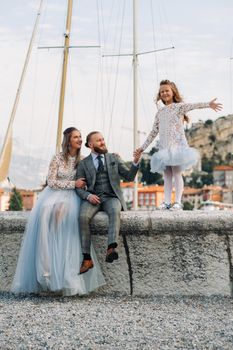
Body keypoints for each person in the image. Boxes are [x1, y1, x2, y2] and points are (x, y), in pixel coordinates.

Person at [11, 127, 105, 296]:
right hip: (53, 194)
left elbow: (86, 183)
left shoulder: (82, 160)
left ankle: (64, 277)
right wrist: (72, 183)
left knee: (61, 218)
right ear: (68, 140)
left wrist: (82, 190)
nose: (79, 139)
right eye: (75, 137)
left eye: (80, 137)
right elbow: (51, 181)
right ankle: (46, 273)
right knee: (45, 213)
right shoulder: (57, 158)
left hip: (72, 197)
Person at [135, 79, 222, 210]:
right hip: (164, 149)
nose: (164, 93)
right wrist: (142, 148)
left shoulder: (179, 106)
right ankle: (166, 201)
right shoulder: (159, 113)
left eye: (167, 91)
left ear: (173, 92)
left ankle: (178, 201)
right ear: (160, 95)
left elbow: (194, 105)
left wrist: (208, 104)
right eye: (162, 91)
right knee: (167, 176)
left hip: (177, 146)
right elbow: (153, 132)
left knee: (176, 173)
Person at [76, 131, 141, 274]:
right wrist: (88, 196)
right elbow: (78, 188)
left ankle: (111, 247)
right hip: (93, 198)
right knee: (82, 217)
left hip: (112, 197)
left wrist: (135, 162)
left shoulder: (114, 158)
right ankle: (87, 259)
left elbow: (129, 177)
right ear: (90, 144)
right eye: (99, 140)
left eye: (103, 139)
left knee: (114, 211)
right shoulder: (83, 164)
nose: (103, 142)